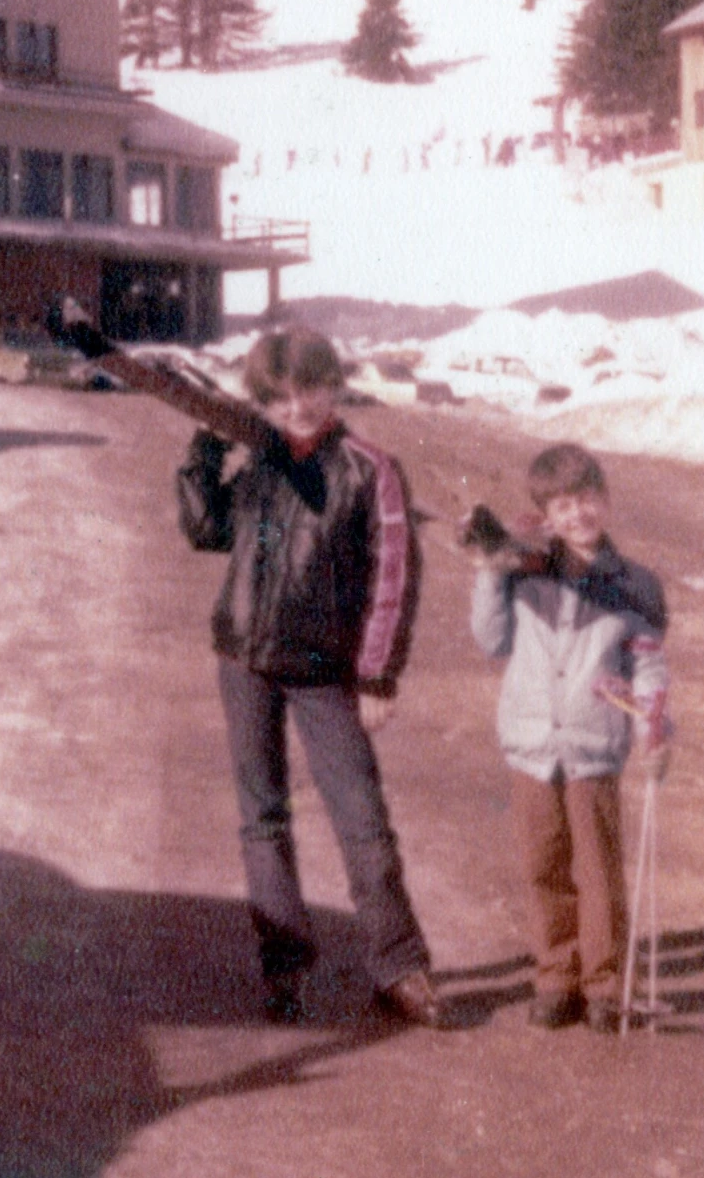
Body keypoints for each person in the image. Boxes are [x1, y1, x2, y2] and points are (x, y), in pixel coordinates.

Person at [176, 329, 442, 1029]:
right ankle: (283, 970)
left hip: (325, 673)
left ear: (334, 385)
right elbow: (210, 531)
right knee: (261, 818)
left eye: (310, 388)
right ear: (263, 399)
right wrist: (205, 452)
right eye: (279, 395)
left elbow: (394, 576)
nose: (296, 405)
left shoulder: (368, 469)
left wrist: (379, 675)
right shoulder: (262, 464)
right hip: (244, 661)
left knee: (362, 819)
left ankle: (398, 965)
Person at [470, 444, 670, 1032]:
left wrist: (653, 727)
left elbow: (648, 668)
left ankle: (605, 984)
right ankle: (557, 975)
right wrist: (489, 568)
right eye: (562, 504)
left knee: (599, 870)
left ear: (604, 500)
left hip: (593, 745)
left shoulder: (636, 585)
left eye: (586, 498)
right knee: (543, 865)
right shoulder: (525, 571)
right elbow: (491, 641)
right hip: (532, 744)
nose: (578, 513)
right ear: (547, 514)